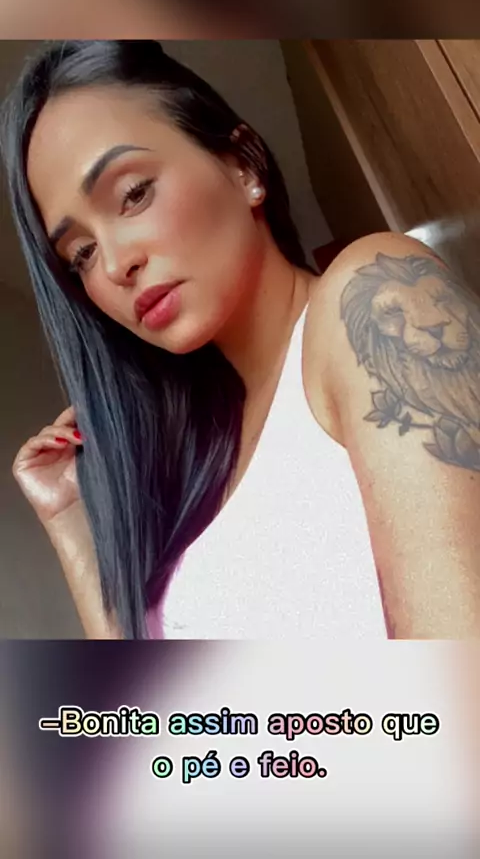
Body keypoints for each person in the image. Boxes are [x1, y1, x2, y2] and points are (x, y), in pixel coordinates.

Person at [2, 40, 479, 641]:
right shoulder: (194, 469)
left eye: (134, 193)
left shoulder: (370, 297)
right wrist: (71, 522)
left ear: (243, 165)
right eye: (82, 254)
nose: (116, 264)